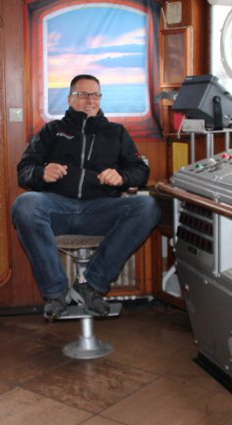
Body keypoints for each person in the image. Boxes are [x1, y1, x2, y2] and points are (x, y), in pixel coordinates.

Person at [12, 74, 161, 320]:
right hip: (56, 209)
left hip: (99, 211)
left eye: (95, 95)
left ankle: (91, 284)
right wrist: (41, 173)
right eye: (82, 94)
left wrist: (121, 177)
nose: (90, 100)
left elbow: (140, 171)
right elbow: (24, 170)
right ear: (70, 98)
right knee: (25, 204)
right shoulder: (52, 131)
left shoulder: (116, 132)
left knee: (148, 205)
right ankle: (56, 293)